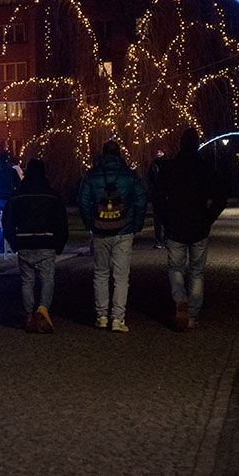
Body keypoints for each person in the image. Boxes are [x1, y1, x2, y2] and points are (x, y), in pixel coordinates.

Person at [154, 127, 227, 331]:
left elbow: (158, 198)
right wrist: (208, 218)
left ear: (180, 144)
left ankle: (180, 298)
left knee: (175, 267)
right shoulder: (205, 168)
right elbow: (221, 197)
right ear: (197, 145)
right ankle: (192, 314)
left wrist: (166, 220)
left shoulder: (169, 169)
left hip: (176, 225)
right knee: (196, 271)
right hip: (199, 227)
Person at [78, 140, 147, 333]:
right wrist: (136, 224)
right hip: (124, 231)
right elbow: (141, 199)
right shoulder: (130, 175)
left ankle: (101, 316)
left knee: (100, 273)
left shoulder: (92, 175)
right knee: (121, 277)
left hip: (100, 229)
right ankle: (118, 318)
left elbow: (82, 200)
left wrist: (90, 223)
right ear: (119, 155)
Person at [2, 159, 69, 334]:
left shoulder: (17, 195)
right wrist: (59, 243)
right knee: (47, 278)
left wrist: (14, 242)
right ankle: (43, 308)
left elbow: (7, 222)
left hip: (24, 242)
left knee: (27, 281)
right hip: (46, 242)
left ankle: (28, 314)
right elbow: (61, 222)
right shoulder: (52, 195)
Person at [147, 149, 167, 250]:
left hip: (161, 195)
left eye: (161, 152)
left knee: (162, 218)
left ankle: (163, 239)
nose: (159, 154)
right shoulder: (155, 165)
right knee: (159, 219)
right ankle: (159, 239)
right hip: (159, 195)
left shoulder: (160, 165)